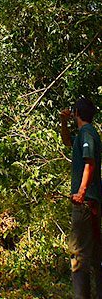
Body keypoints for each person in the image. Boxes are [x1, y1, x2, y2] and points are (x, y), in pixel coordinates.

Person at [60, 98, 102, 299]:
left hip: (85, 203)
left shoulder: (87, 133)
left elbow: (89, 162)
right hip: (90, 203)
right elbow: (67, 141)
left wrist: (81, 192)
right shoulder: (83, 134)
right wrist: (63, 123)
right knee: (94, 256)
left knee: (78, 255)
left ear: (76, 112)